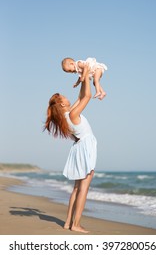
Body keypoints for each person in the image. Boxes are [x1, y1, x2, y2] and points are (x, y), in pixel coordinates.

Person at [44, 64, 97, 233]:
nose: (67, 97)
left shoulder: (68, 115)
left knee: (76, 188)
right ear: (61, 104)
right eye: (64, 97)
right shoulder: (72, 114)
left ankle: (68, 222)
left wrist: (83, 79)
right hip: (85, 147)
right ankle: (76, 224)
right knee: (83, 188)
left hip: (79, 148)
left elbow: (81, 95)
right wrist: (88, 72)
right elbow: (88, 96)